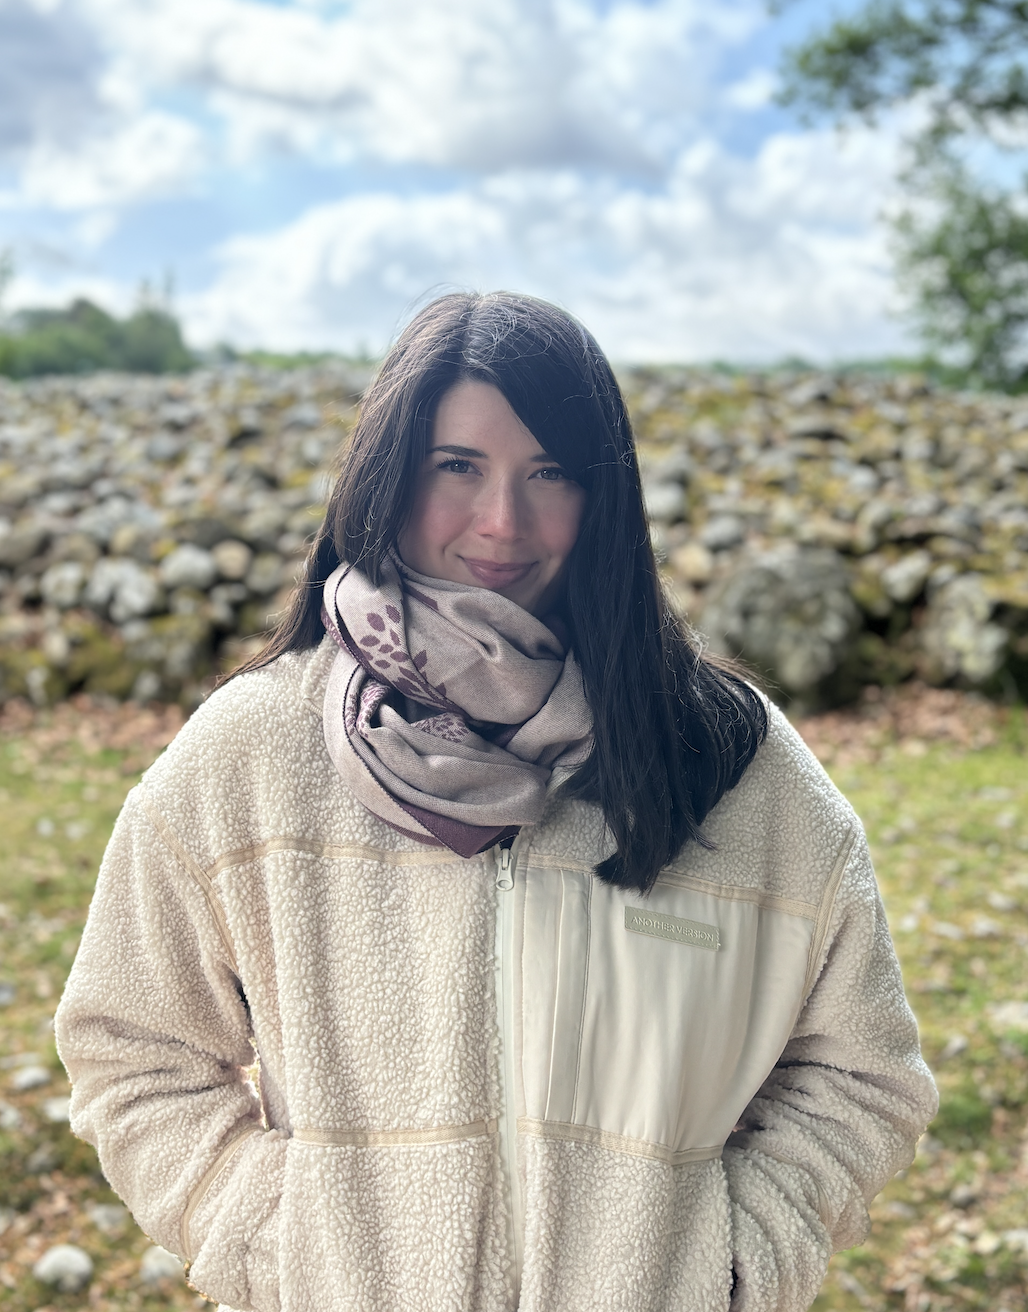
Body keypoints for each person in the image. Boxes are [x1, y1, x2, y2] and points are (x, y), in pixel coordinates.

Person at [56, 291, 937, 1312]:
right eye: (457, 466)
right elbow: (132, 1048)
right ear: (388, 475)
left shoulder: (728, 758)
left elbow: (865, 1071)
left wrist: (736, 1256)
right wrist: (277, 1244)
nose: (501, 523)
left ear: (604, 493)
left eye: (549, 472)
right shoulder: (250, 754)